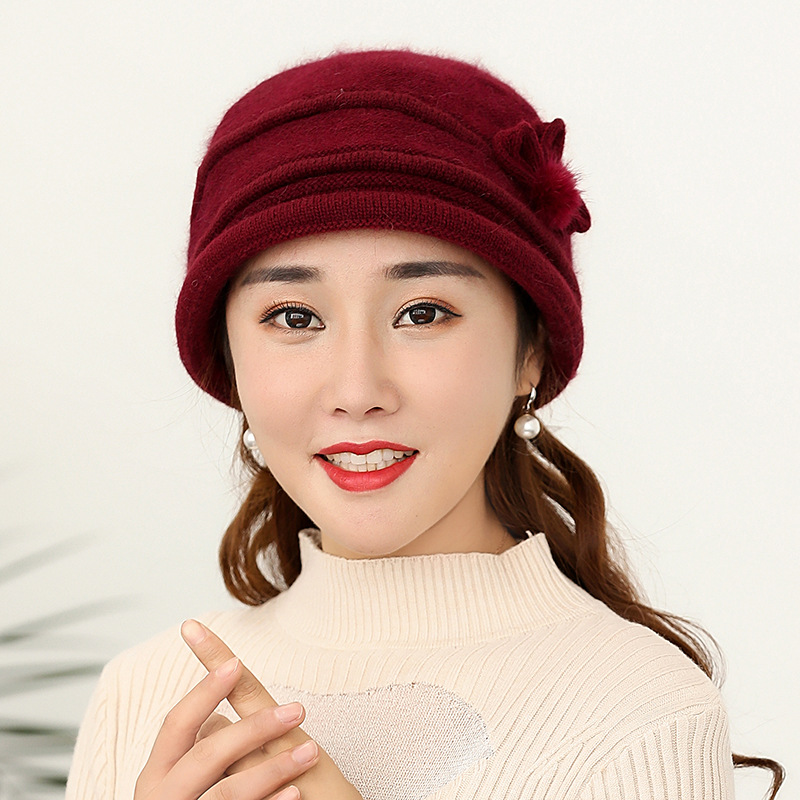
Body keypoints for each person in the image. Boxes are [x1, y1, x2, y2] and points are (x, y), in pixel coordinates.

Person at [66, 49, 783, 800]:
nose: (357, 392)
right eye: (295, 317)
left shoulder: (641, 714)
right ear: (230, 360)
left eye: (422, 313)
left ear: (531, 352)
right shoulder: (146, 695)